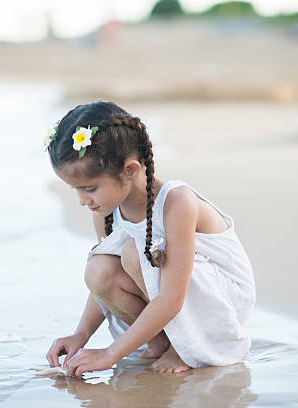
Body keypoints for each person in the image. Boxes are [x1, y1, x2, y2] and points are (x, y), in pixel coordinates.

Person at [44, 101, 255, 377]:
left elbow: (172, 297)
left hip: (219, 298)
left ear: (130, 170)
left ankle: (187, 345)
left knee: (135, 252)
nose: (83, 200)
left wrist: (111, 354)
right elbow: (101, 286)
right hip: (169, 290)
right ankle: (162, 341)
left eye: (90, 189)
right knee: (99, 268)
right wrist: (80, 334)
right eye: (76, 190)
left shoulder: (177, 202)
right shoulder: (106, 208)